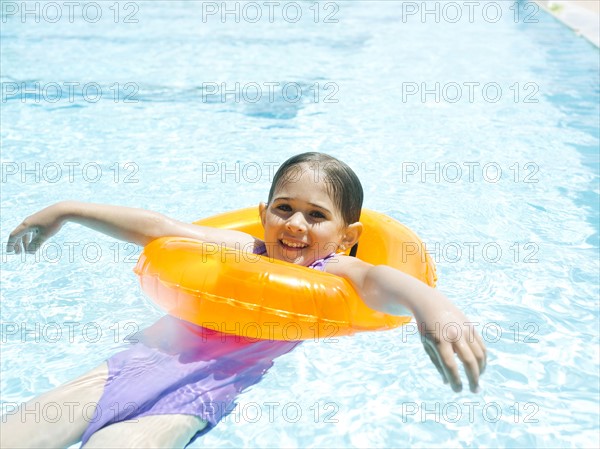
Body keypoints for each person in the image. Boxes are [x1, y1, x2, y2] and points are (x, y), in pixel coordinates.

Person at [1, 152, 486, 448]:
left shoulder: (336, 271)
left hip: (199, 393)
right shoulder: (243, 248)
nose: (296, 225)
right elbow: (161, 229)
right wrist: (66, 210)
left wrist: (433, 308)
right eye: (284, 209)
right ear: (263, 214)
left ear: (346, 235)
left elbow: (383, 280)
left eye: (317, 216)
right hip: (129, 368)